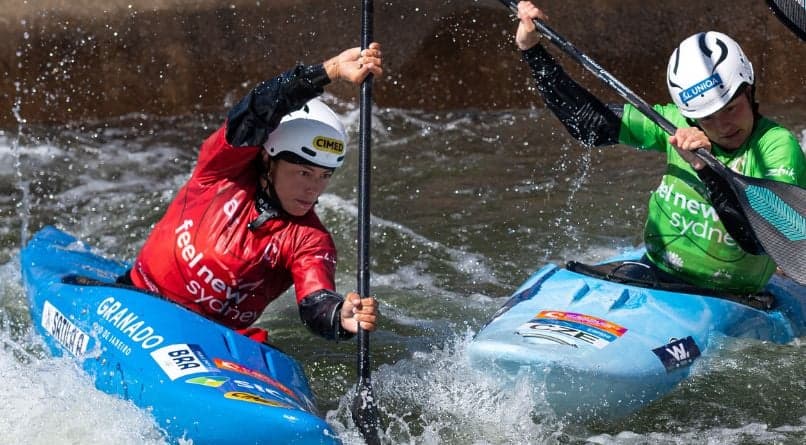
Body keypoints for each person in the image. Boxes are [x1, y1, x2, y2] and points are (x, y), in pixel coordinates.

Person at [512, 1, 806, 294]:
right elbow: (588, 124)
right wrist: (532, 51)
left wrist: (704, 167)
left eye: (731, 109)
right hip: (654, 272)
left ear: (749, 89)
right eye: (708, 118)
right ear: (690, 114)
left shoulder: (776, 147)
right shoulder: (675, 124)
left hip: (730, 297)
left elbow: (758, 241)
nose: (723, 125)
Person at [123, 44, 383, 343]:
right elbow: (258, 109)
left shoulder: (309, 240)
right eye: (302, 172)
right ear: (267, 160)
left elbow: (316, 301)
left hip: (207, 343)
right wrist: (330, 70)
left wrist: (340, 316)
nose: (313, 188)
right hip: (137, 299)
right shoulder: (221, 170)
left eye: (324, 176)